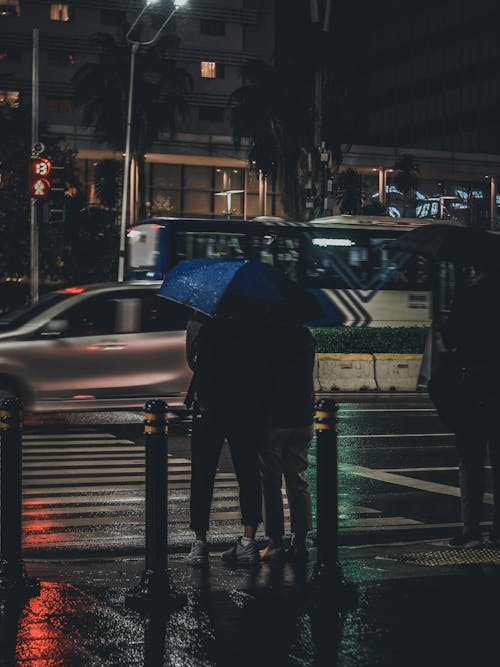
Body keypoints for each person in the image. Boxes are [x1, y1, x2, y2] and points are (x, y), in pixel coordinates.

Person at [185, 307, 269, 566]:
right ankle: (248, 541)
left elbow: (192, 362)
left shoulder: (198, 322)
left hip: (208, 406)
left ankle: (200, 544)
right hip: (243, 407)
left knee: (202, 475)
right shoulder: (252, 321)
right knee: (248, 473)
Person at [440, 263, 500, 549]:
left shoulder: (467, 296)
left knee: (471, 462)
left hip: (472, 388)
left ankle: (471, 530)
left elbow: (451, 339)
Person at [258, 321, 316, 562]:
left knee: (270, 482)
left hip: (274, 418)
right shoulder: (305, 336)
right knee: (298, 479)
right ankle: (300, 540)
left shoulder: (266, 336)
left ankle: (274, 542)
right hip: (302, 416)